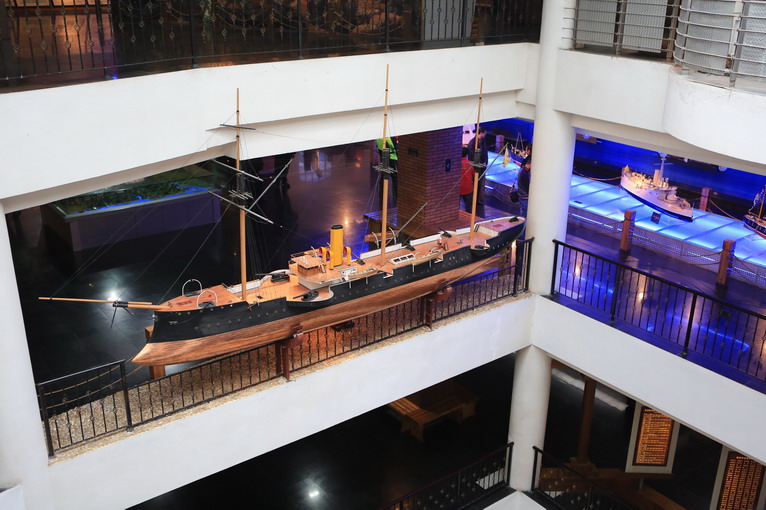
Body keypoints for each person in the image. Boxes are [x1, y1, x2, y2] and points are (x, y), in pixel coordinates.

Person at [466, 126, 488, 217]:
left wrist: (485, 162)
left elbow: (485, 153)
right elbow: (471, 157)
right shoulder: (472, 143)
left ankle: (478, 200)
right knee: (475, 184)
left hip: (482, 167)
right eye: (485, 133)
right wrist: (479, 164)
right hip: (475, 168)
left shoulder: (483, 141)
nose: (485, 134)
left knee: (480, 185)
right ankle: (473, 201)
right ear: (481, 133)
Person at [459, 147, 474, 212]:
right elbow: (473, 175)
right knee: (468, 206)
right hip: (468, 187)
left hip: (458, 188)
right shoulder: (471, 164)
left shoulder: (456, 163)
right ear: (467, 154)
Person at [517, 153, 531, 218]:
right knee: (523, 216)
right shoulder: (524, 173)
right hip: (524, 197)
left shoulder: (522, 170)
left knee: (523, 214)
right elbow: (527, 186)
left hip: (522, 196)